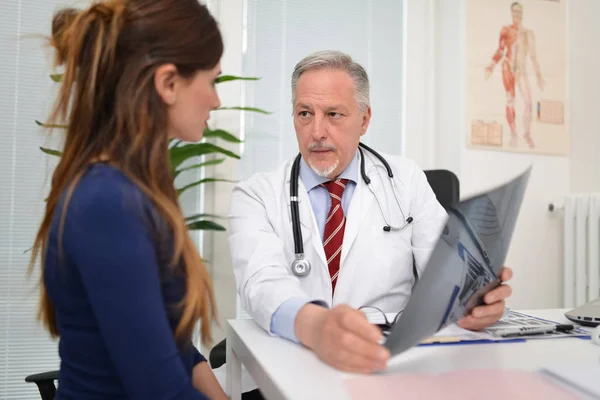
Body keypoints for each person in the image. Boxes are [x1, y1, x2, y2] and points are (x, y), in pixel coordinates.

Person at [228, 50, 514, 375]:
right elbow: (260, 283)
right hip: (292, 357)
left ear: (364, 120)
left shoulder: (405, 180)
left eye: (334, 114)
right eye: (305, 113)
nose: (317, 131)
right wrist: (318, 327)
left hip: (388, 360)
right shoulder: (255, 194)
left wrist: (474, 303)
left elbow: (447, 272)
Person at [29, 1, 228, 398]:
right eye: (212, 81)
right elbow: (158, 388)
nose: (216, 100)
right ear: (169, 83)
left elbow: (170, 347)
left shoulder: (133, 189)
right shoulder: (108, 203)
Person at [484, 1, 545, 149]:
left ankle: (527, 133)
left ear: (522, 14)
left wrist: (539, 76)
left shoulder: (528, 34)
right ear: (511, 13)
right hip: (508, 69)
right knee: (510, 102)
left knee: (529, 103)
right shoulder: (506, 30)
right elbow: (500, 50)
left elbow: (533, 57)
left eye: (519, 12)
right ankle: (513, 134)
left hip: (522, 72)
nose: (517, 15)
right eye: (515, 12)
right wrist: (491, 66)